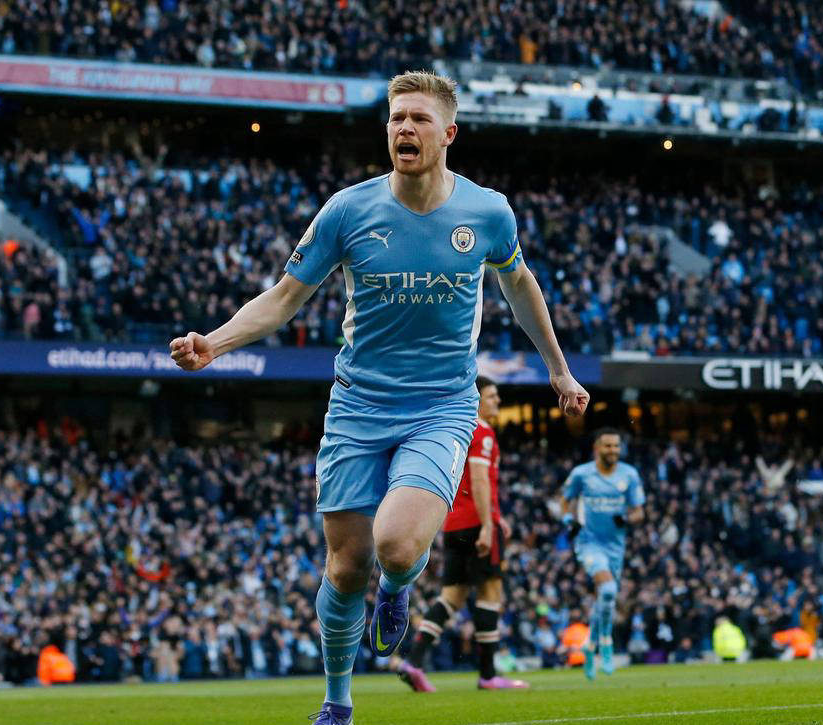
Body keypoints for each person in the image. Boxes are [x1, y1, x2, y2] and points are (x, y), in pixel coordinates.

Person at [169, 69, 589, 725]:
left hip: (441, 407)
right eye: (396, 119)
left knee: (394, 546)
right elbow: (284, 297)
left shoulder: (487, 212)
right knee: (345, 566)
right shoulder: (348, 210)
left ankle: (398, 588)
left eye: (419, 119)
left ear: (448, 134)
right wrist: (214, 344)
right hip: (357, 407)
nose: (404, 129)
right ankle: (337, 702)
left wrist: (559, 371)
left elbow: (520, 286)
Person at [393, 376, 528, 692]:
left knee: (451, 597)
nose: (497, 402)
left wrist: (496, 518)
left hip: (453, 524)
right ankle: (488, 675)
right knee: (491, 594)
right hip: (477, 524)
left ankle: (413, 662)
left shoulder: (457, 430)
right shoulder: (483, 432)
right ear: (477, 400)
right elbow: (479, 479)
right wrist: (488, 524)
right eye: (492, 396)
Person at [560, 428, 645, 680]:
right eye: (608, 446)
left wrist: (627, 518)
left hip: (615, 546)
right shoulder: (581, 474)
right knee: (607, 590)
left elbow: (639, 512)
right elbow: (565, 500)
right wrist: (568, 520)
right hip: (589, 542)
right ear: (597, 448)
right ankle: (606, 644)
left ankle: (589, 645)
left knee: (605, 599)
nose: (613, 450)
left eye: (616, 446)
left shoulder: (629, 474)